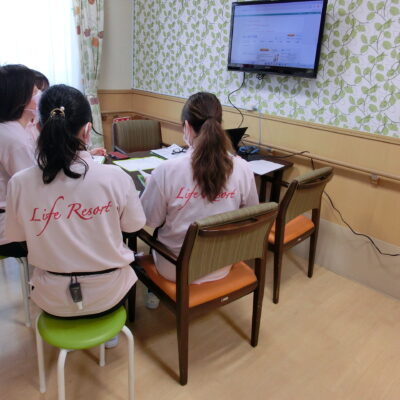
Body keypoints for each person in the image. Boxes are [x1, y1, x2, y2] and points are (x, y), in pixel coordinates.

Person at [5, 84, 146, 319]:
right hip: (110, 294)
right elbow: (133, 227)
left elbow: (18, 237)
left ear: (39, 128)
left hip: (51, 298)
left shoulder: (19, 183)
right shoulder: (116, 177)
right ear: (88, 130)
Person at [140, 92, 258, 306]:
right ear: (220, 125)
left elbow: (151, 221)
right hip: (221, 264)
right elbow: (251, 214)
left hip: (176, 268)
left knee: (157, 234)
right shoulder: (242, 168)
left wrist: (154, 186)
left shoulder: (166, 171)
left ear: (186, 126)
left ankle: (153, 294)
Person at [0, 64, 38, 257]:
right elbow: (34, 187)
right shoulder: (15, 139)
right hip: (8, 228)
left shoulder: (13, 129)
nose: (40, 96)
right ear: (20, 98)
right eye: (35, 92)